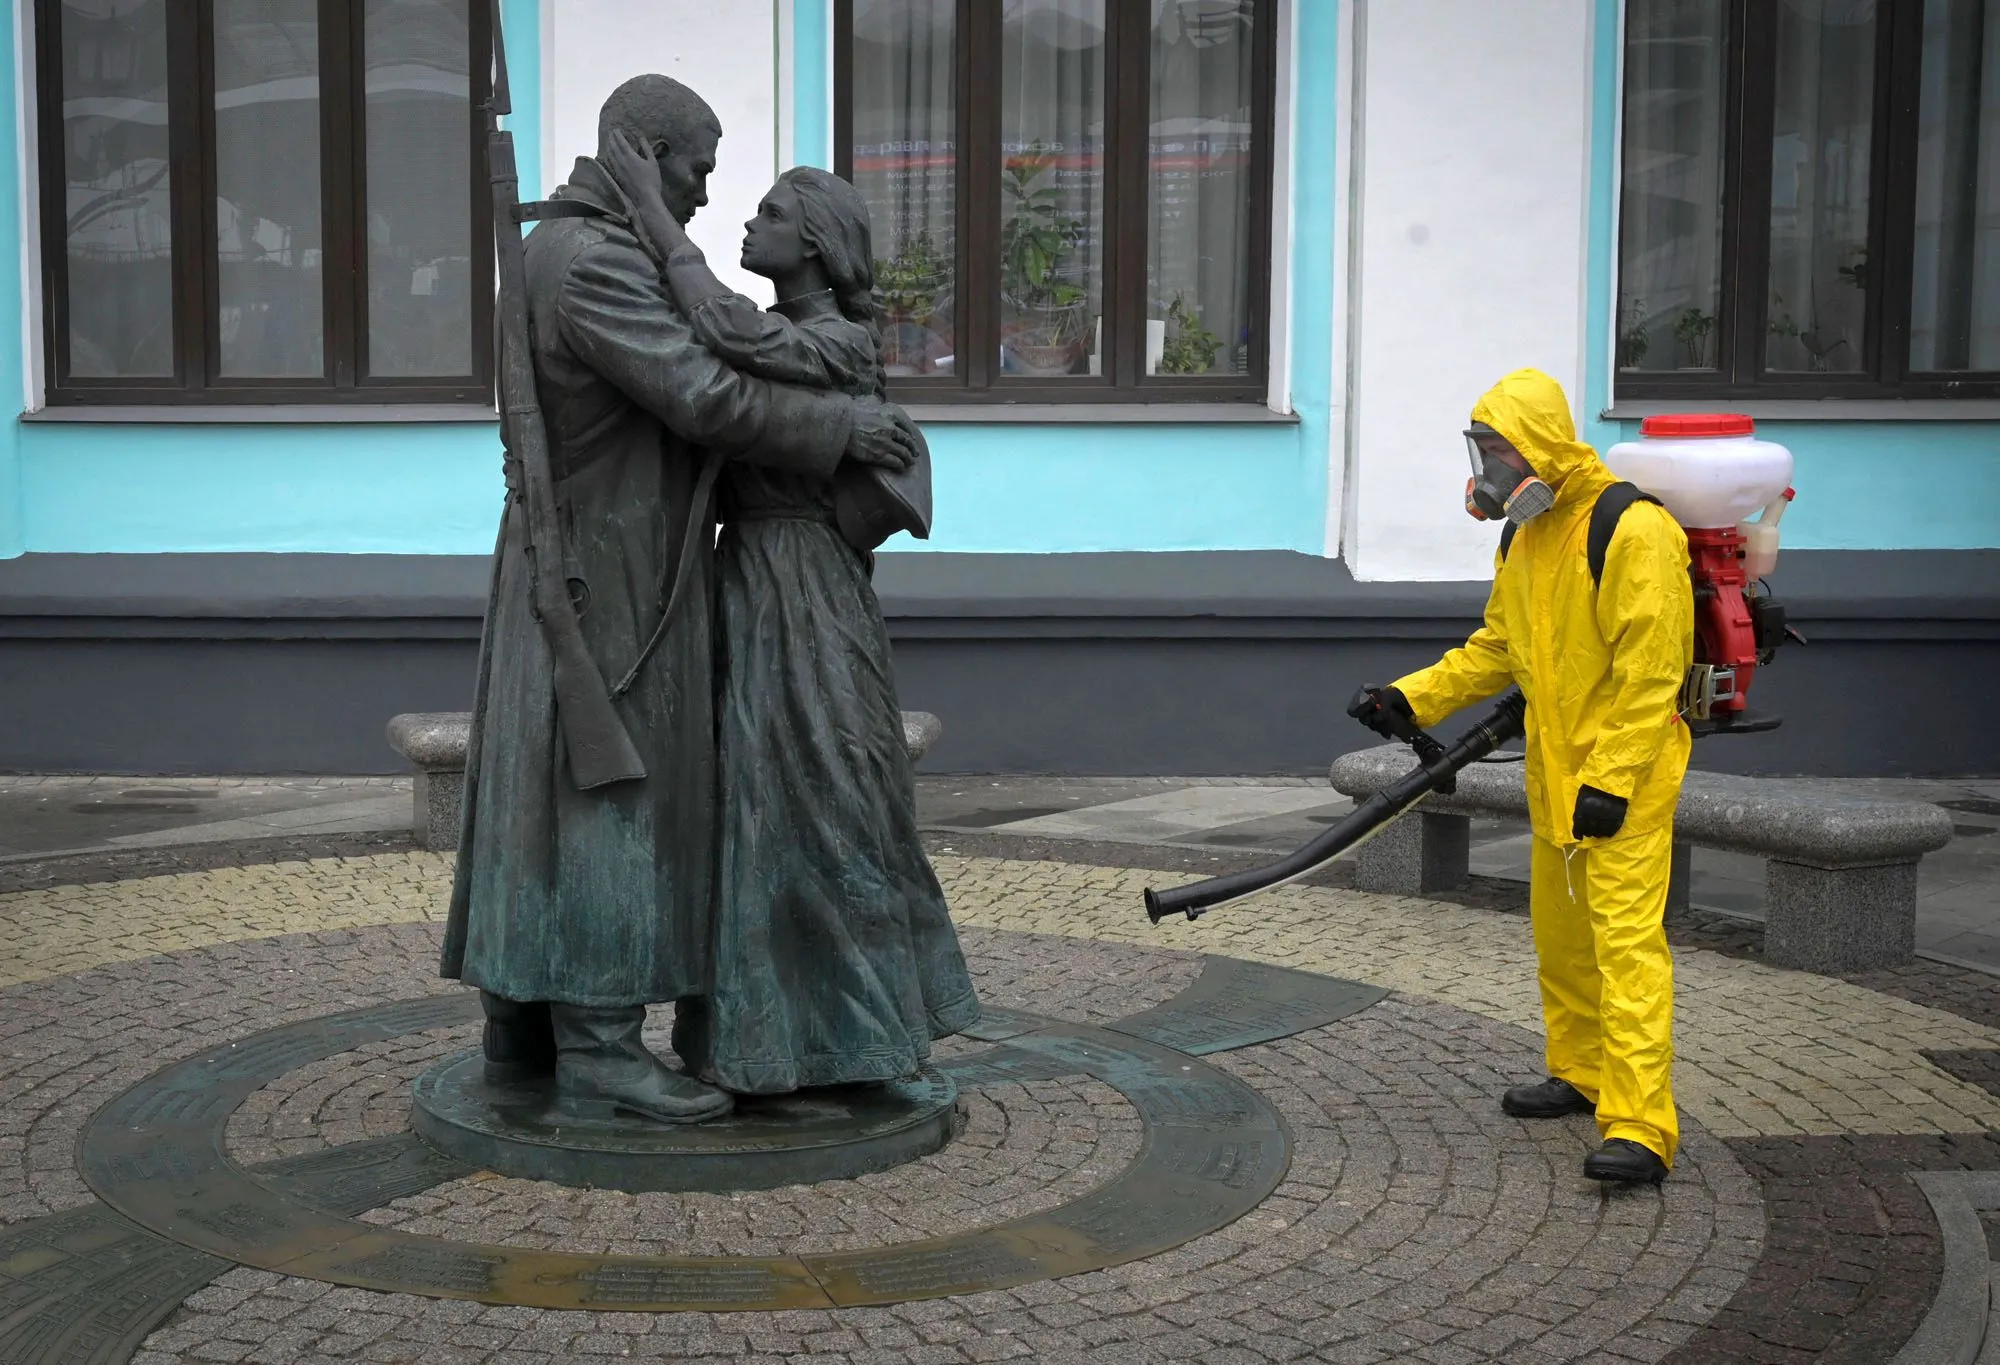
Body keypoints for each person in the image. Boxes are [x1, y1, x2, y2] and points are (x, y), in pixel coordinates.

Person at [442, 76, 924, 1126]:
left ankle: (521, 1025)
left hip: (591, 557)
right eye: (696, 170)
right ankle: (599, 1047)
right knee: (606, 799)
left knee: (550, 789)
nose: (706, 194)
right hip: (608, 571)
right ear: (643, 153)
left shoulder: (566, 247)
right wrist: (838, 430)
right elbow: (701, 393)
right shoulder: (597, 261)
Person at [601, 133, 979, 1094]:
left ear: (815, 241)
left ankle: (866, 1033)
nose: (749, 220)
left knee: (832, 790)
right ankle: (764, 1038)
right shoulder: (784, 333)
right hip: (750, 581)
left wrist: (658, 226)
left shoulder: (836, 340)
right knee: (759, 807)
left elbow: (730, 335)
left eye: (770, 213)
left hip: (808, 586)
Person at [1348, 368, 1693, 1186]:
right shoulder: (1525, 536)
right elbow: (1498, 649)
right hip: (1555, 775)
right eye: (1483, 452)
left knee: (1626, 950)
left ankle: (1641, 1125)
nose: (1489, 470)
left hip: (1623, 784)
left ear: (1538, 446)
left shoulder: (1632, 529)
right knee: (1564, 943)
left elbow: (1653, 674)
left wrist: (1612, 780)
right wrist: (1411, 697)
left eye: (1499, 451)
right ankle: (1581, 1072)